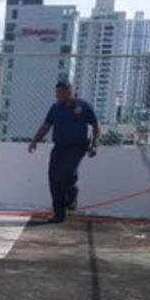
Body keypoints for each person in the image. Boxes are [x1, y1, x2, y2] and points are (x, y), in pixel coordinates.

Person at [28, 80, 99, 224]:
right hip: (59, 147)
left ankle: (72, 196)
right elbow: (46, 126)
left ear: (69, 92)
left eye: (61, 93)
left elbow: (96, 126)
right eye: (57, 93)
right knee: (54, 179)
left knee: (67, 174)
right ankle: (59, 214)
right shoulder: (55, 108)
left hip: (77, 147)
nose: (58, 96)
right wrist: (35, 140)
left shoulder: (83, 107)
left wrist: (94, 145)